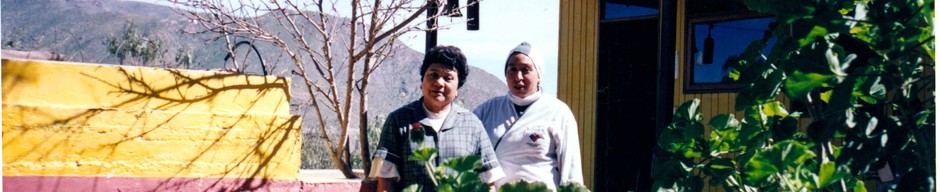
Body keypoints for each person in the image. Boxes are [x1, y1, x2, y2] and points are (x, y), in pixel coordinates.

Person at [371, 45, 504, 192]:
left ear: (457, 89)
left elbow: (489, 182)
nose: (439, 83)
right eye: (433, 75)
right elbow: (385, 181)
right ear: (422, 82)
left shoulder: (473, 125)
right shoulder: (398, 120)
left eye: (448, 78)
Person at [473, 42, 583, 190]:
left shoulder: (558, 112)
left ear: (539, 74)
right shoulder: (487, 109)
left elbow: (571, 170)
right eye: (512, 69)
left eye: (525, 70)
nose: (518, 77)